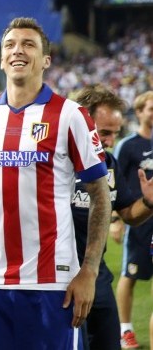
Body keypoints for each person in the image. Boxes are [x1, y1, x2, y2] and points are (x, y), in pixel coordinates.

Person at [0, 16, 111, 349]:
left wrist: (89, 271)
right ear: (1, 58)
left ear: (46, 60)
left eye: (29, 44)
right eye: (10, 45)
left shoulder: (70, 115)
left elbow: (100, 195)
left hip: (53, 281)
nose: (18, 51)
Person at [69, 86, 153, 350]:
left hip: (96, 273)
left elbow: (129, 213)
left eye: (115, 133)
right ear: (81, 122)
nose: (110, 142)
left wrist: (149, 202)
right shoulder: (53, 165)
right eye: (104, 132)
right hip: (58, 277)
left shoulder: (108, 163)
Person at [114, 90, 153, 349]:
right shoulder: (128, 145)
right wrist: (115, 220)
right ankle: (125, 329)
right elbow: (112, 182)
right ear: (139, 112)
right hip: (138, 221)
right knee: (130, 273)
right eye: (150, 108)